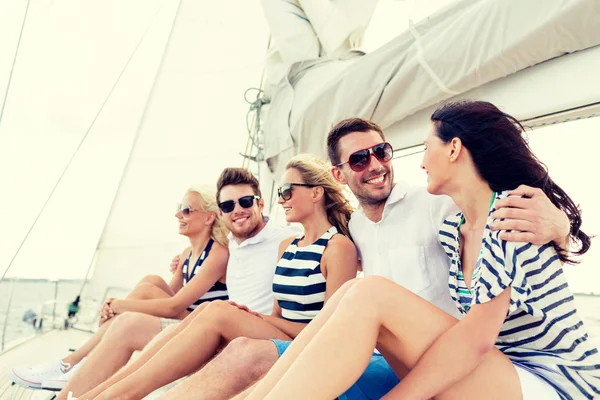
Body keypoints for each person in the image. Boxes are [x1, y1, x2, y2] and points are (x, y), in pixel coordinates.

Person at [161, 116, 574, 400]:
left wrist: (562, 228)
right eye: (360, 158)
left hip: (515, 374)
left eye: (383, 151)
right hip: (404, 355)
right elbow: (302, 232)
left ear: (454, 150)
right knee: (247, 354)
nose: (378, 164)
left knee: (367, 292)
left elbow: (481, 327)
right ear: (339, 175)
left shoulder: (447, 208)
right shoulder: (359, 229)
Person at [74, 154, 359, 400]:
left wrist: (256, 319)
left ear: (315, 193)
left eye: (286, 191)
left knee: (218, 311)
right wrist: (186, 257)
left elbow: (331, 330)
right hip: (276, 332)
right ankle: (100, 394)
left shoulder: (337, 249)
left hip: (308, 342)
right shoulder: (288, 247)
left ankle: (118, 395)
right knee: (203, 315)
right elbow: (276, 310)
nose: (281, 199)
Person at [9, 184, 229, 394]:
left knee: (146, 291)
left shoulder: (218, 254)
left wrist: (118, 305)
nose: (178, 215)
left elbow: (172, 307)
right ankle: (81, 361)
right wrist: (120, 307)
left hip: (202, 329)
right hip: (186, 321)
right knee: (150, 282)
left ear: (210, 217)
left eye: (187, 210)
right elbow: (164, 301)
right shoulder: (187, 255)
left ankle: (71, 364)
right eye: (179, 209)